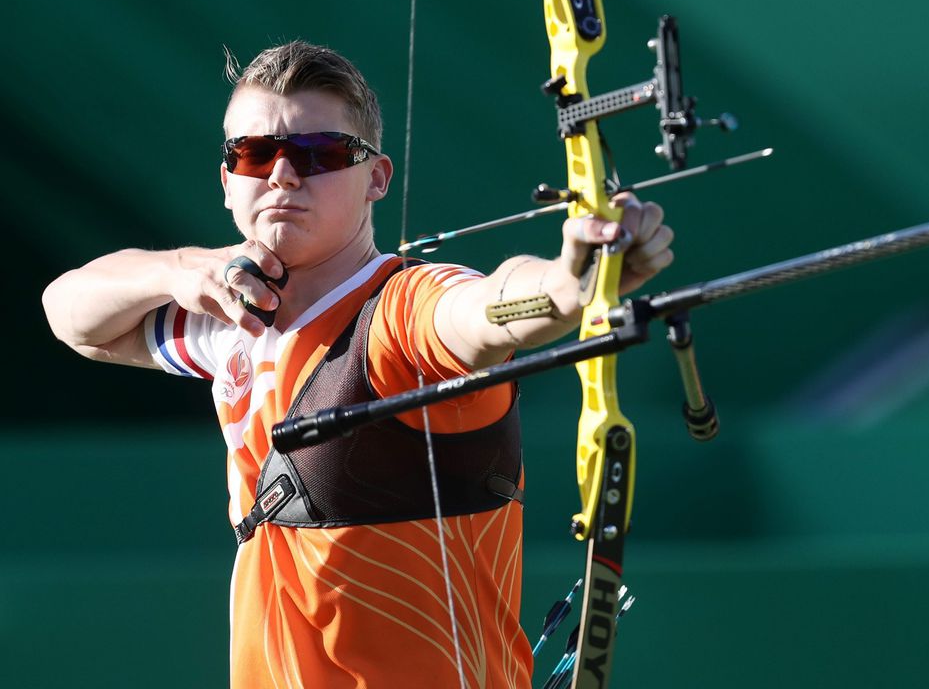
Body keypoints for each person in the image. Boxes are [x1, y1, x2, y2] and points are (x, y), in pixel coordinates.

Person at [42, 41, 673, 689]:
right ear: (228, 177)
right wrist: (180, 268)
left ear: (376, 177)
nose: (283, 175)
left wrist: (572, 281)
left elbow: (488, 309)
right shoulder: (230, 320)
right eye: (255, 154)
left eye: (319, 154)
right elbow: (71, 315)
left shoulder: (403, 312)